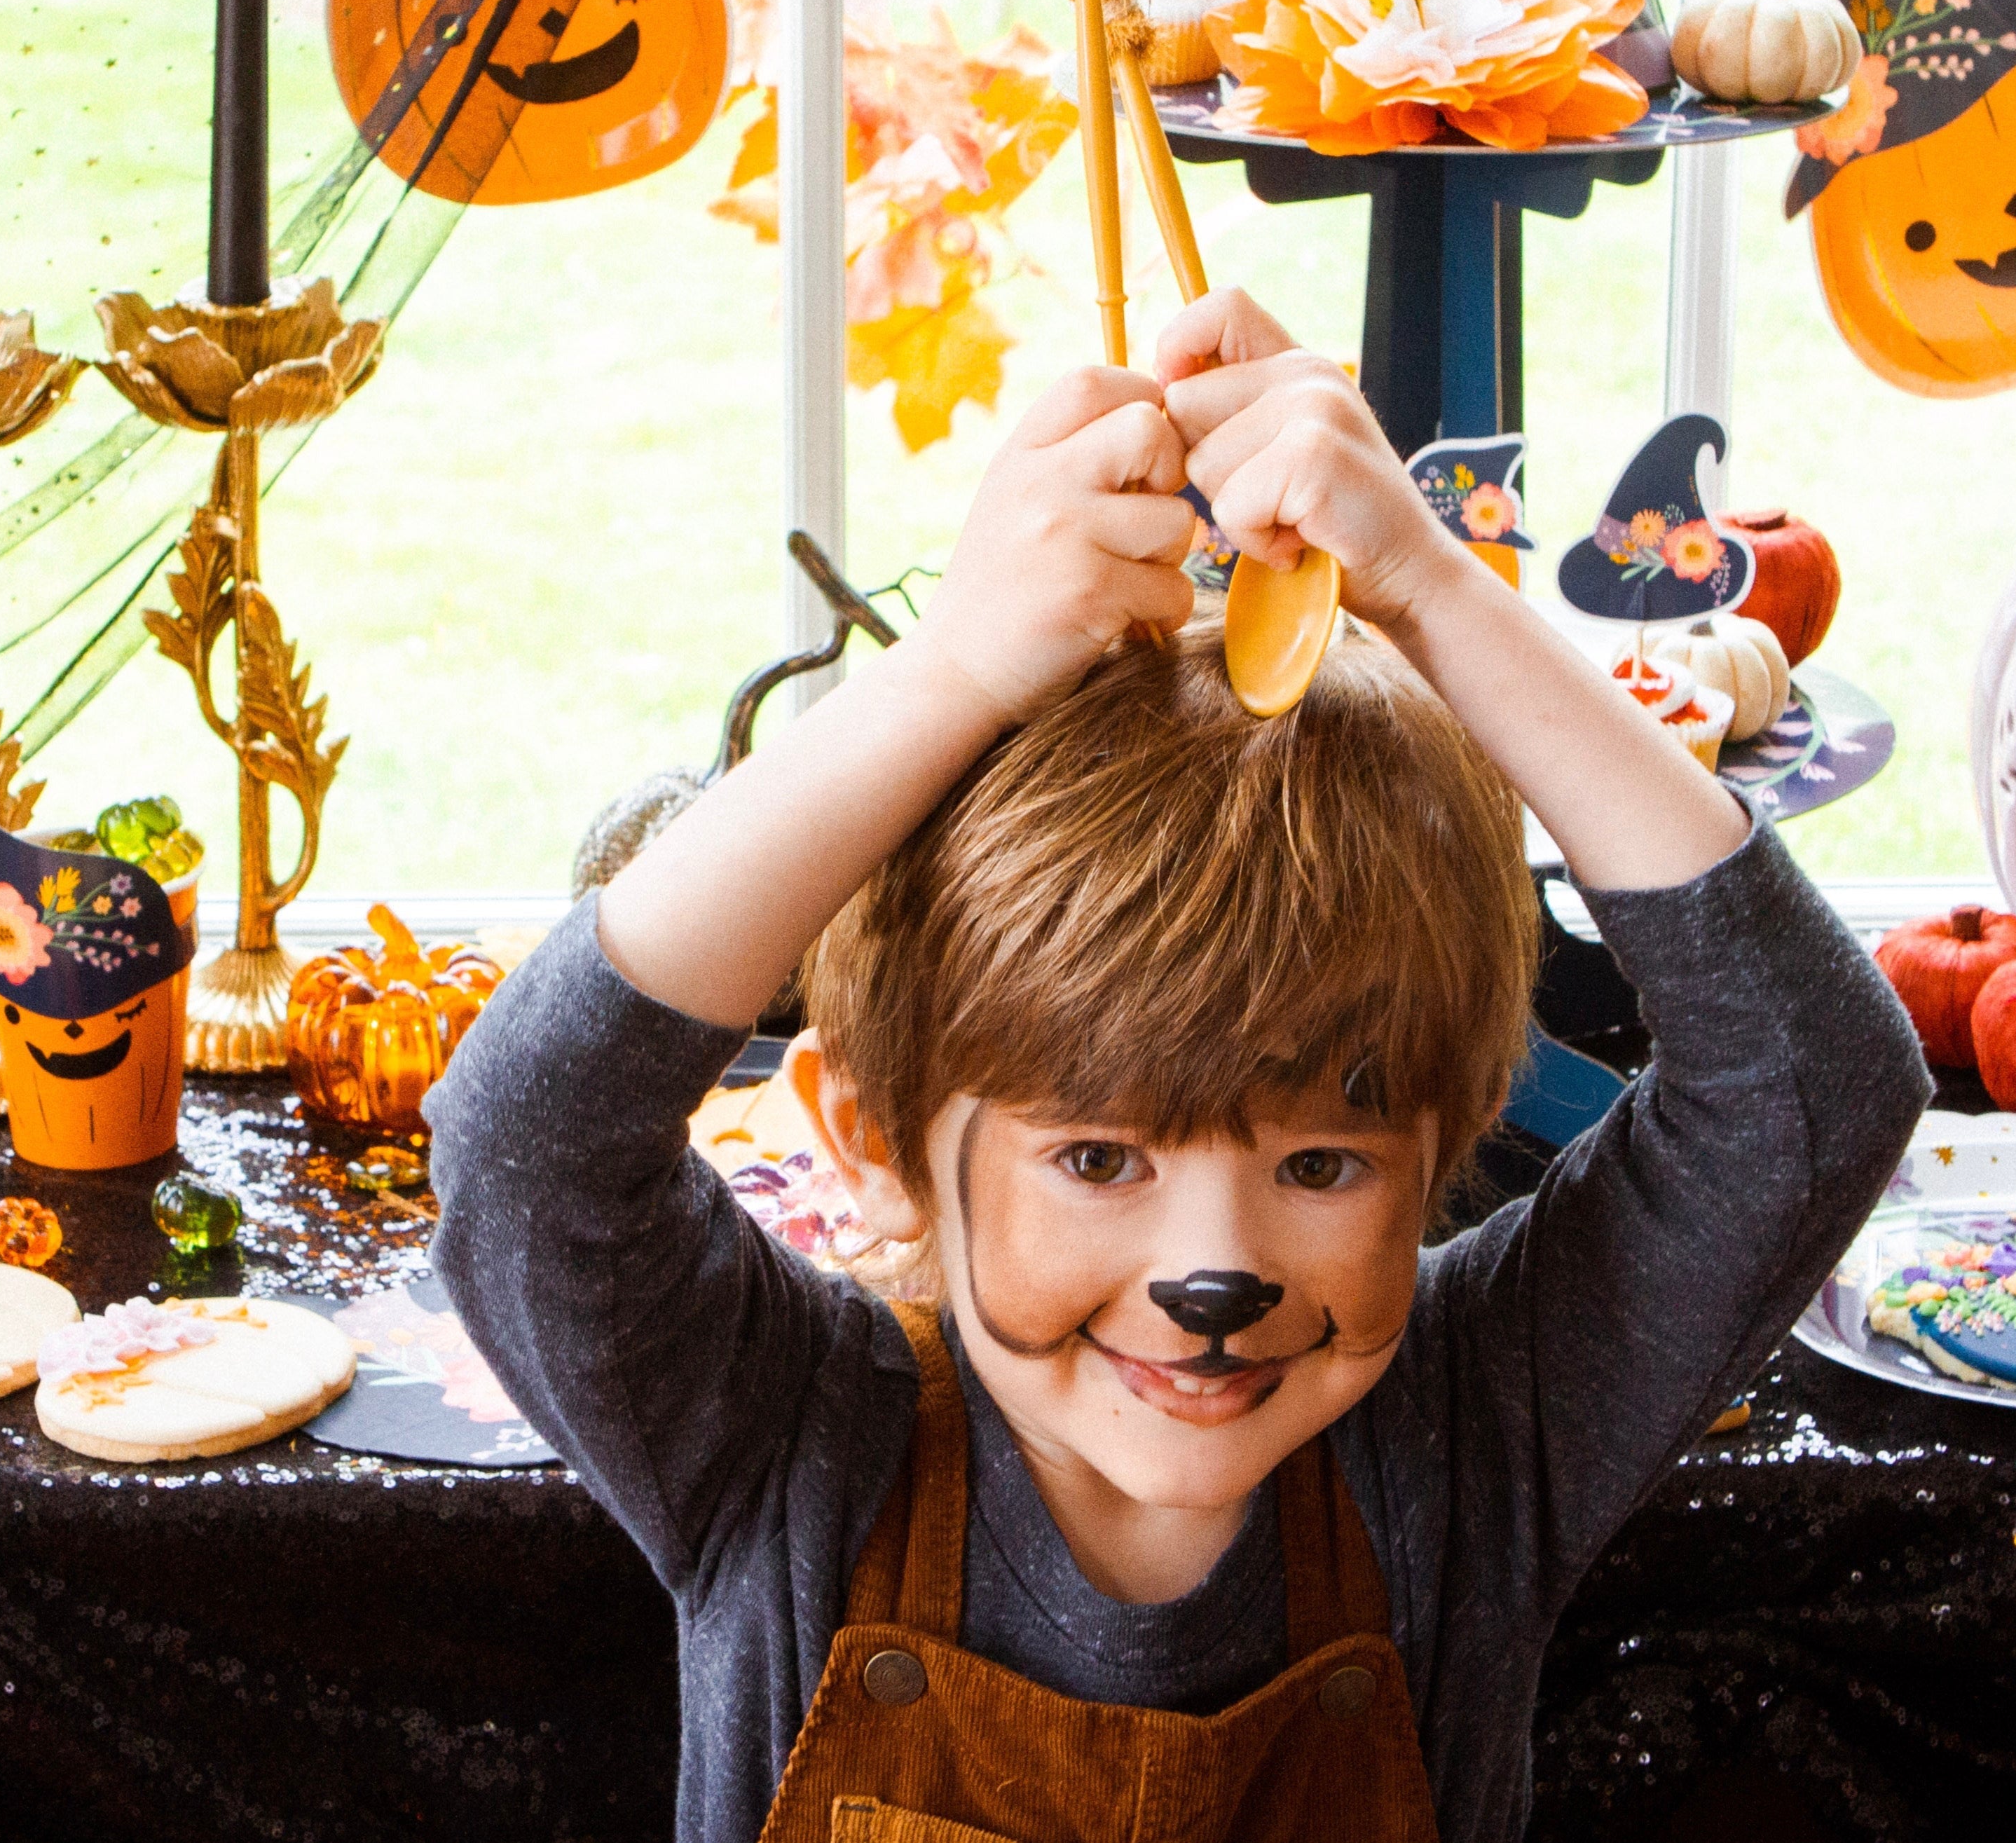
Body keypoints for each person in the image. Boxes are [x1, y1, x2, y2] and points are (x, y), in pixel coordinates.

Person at [429, 289, 1929, 1842]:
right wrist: (950, 671)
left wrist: (1428, 592)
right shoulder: (787, 1439)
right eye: (1096, 1158)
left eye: (1317, 1164)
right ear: (870, 1136)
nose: (1214, 1271)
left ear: (1446, 1139)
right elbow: (528, 1142)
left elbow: (1808, 1087)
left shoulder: (1472, 1434)